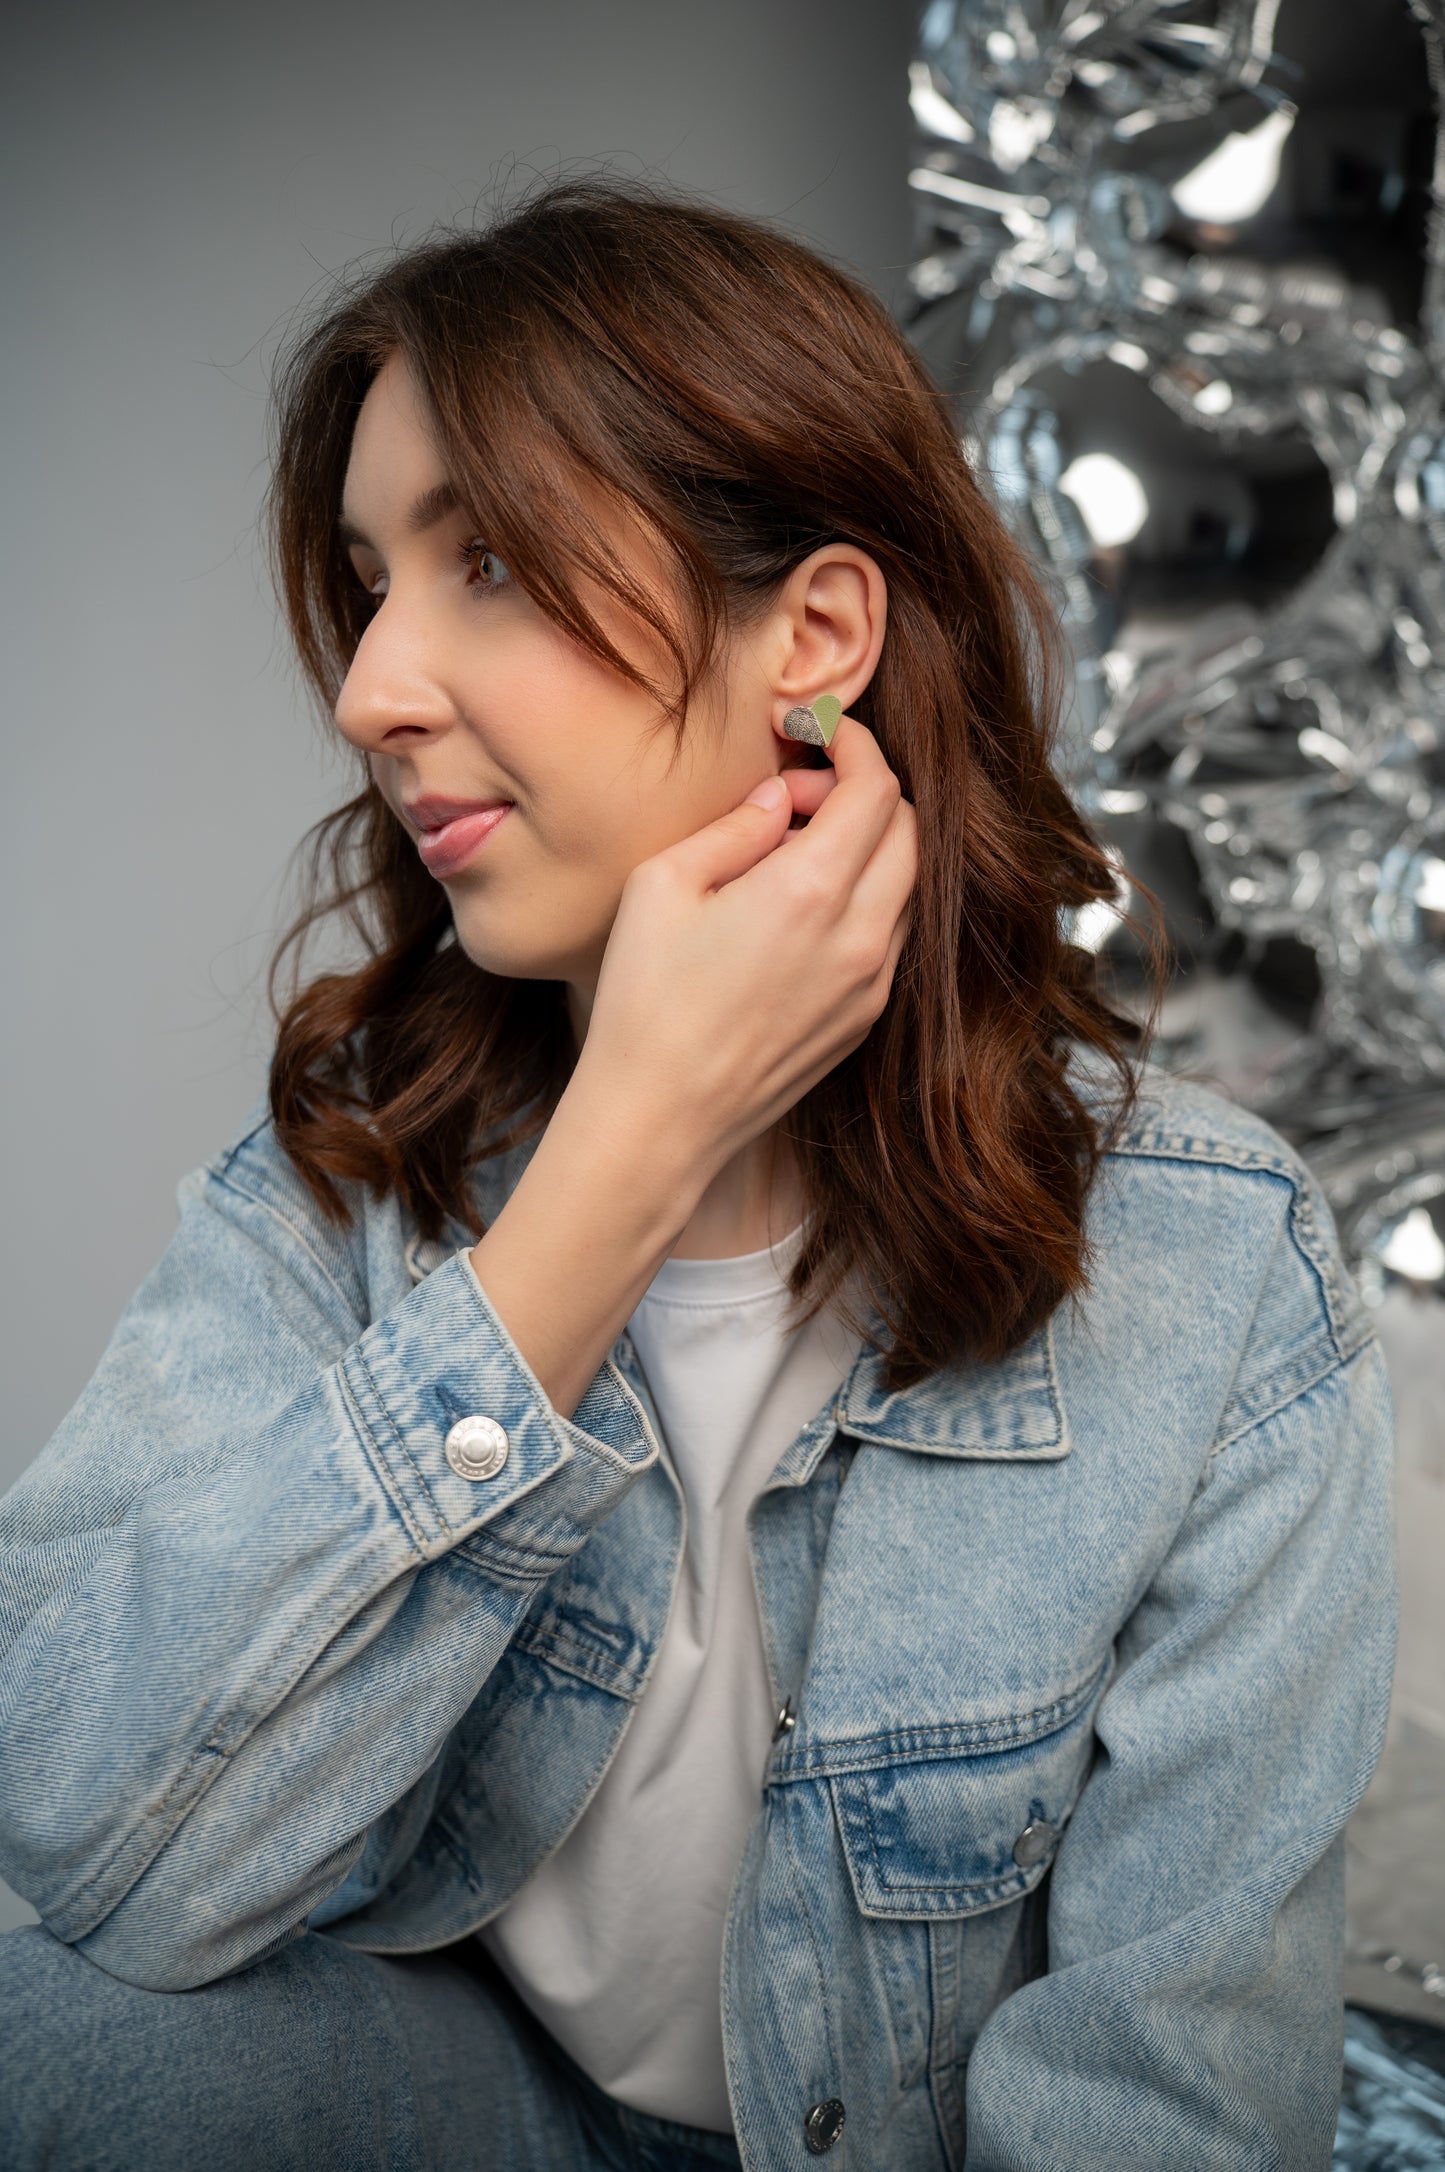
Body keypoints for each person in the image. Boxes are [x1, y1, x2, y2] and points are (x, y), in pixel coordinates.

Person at [0, 172, 1396, 2172]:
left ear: (813, 636)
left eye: (481, 559)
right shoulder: (349, 1181)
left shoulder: (1215, 1278)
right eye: (371, 577)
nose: (372, 689)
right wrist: (621, 1163)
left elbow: (1161, 2105)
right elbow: (97, 1843)